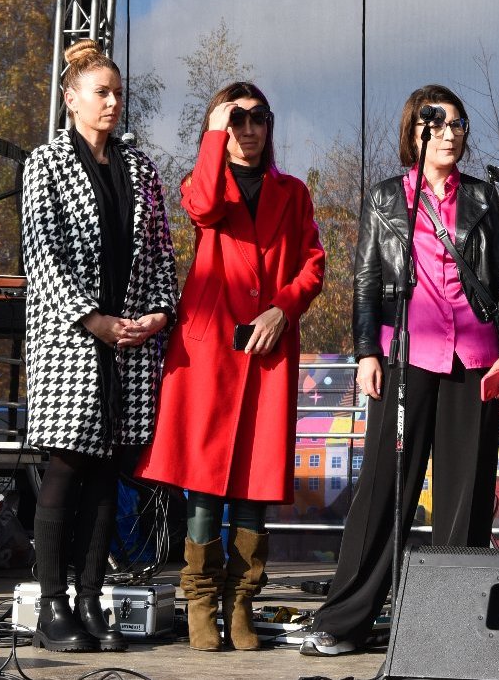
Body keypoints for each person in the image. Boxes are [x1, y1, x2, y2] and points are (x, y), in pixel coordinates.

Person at [299, 84, 499, 657]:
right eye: (440, 123)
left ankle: (451, 623)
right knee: (383, 487)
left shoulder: (481, 199)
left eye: (459, 124)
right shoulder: (384, 197)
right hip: (404, 355)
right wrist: (365, 354)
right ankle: (346, 618)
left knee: (465, 495)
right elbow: (366, 282)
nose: (451, 133)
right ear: (416, 131)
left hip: (474, 360)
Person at [138, 81, 327, 651]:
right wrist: (212, 136)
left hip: (267, 348)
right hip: (209, 350)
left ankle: (241, 603)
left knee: (253, 479)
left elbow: (314, 264)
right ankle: (199, 603)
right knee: (203, 481)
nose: (249, 130)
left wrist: (283, 309)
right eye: (236, 120)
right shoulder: (205, 182)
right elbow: (200, 205)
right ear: (220, 127)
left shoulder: (293, 193)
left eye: (258, 119)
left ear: (270, 127)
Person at [21, 39, 178, 654]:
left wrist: (160, 313)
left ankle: (92, 600)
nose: (113, 102)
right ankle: (51, 604)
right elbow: (43, 255)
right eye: (101, 92)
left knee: (111, 469)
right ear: (71, 99)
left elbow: (163, 251)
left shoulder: (141, 168)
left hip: (133, 341)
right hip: (72, 339)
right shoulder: (45, 162)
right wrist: (94, 319)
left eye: (118, 93)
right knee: (67, 465)